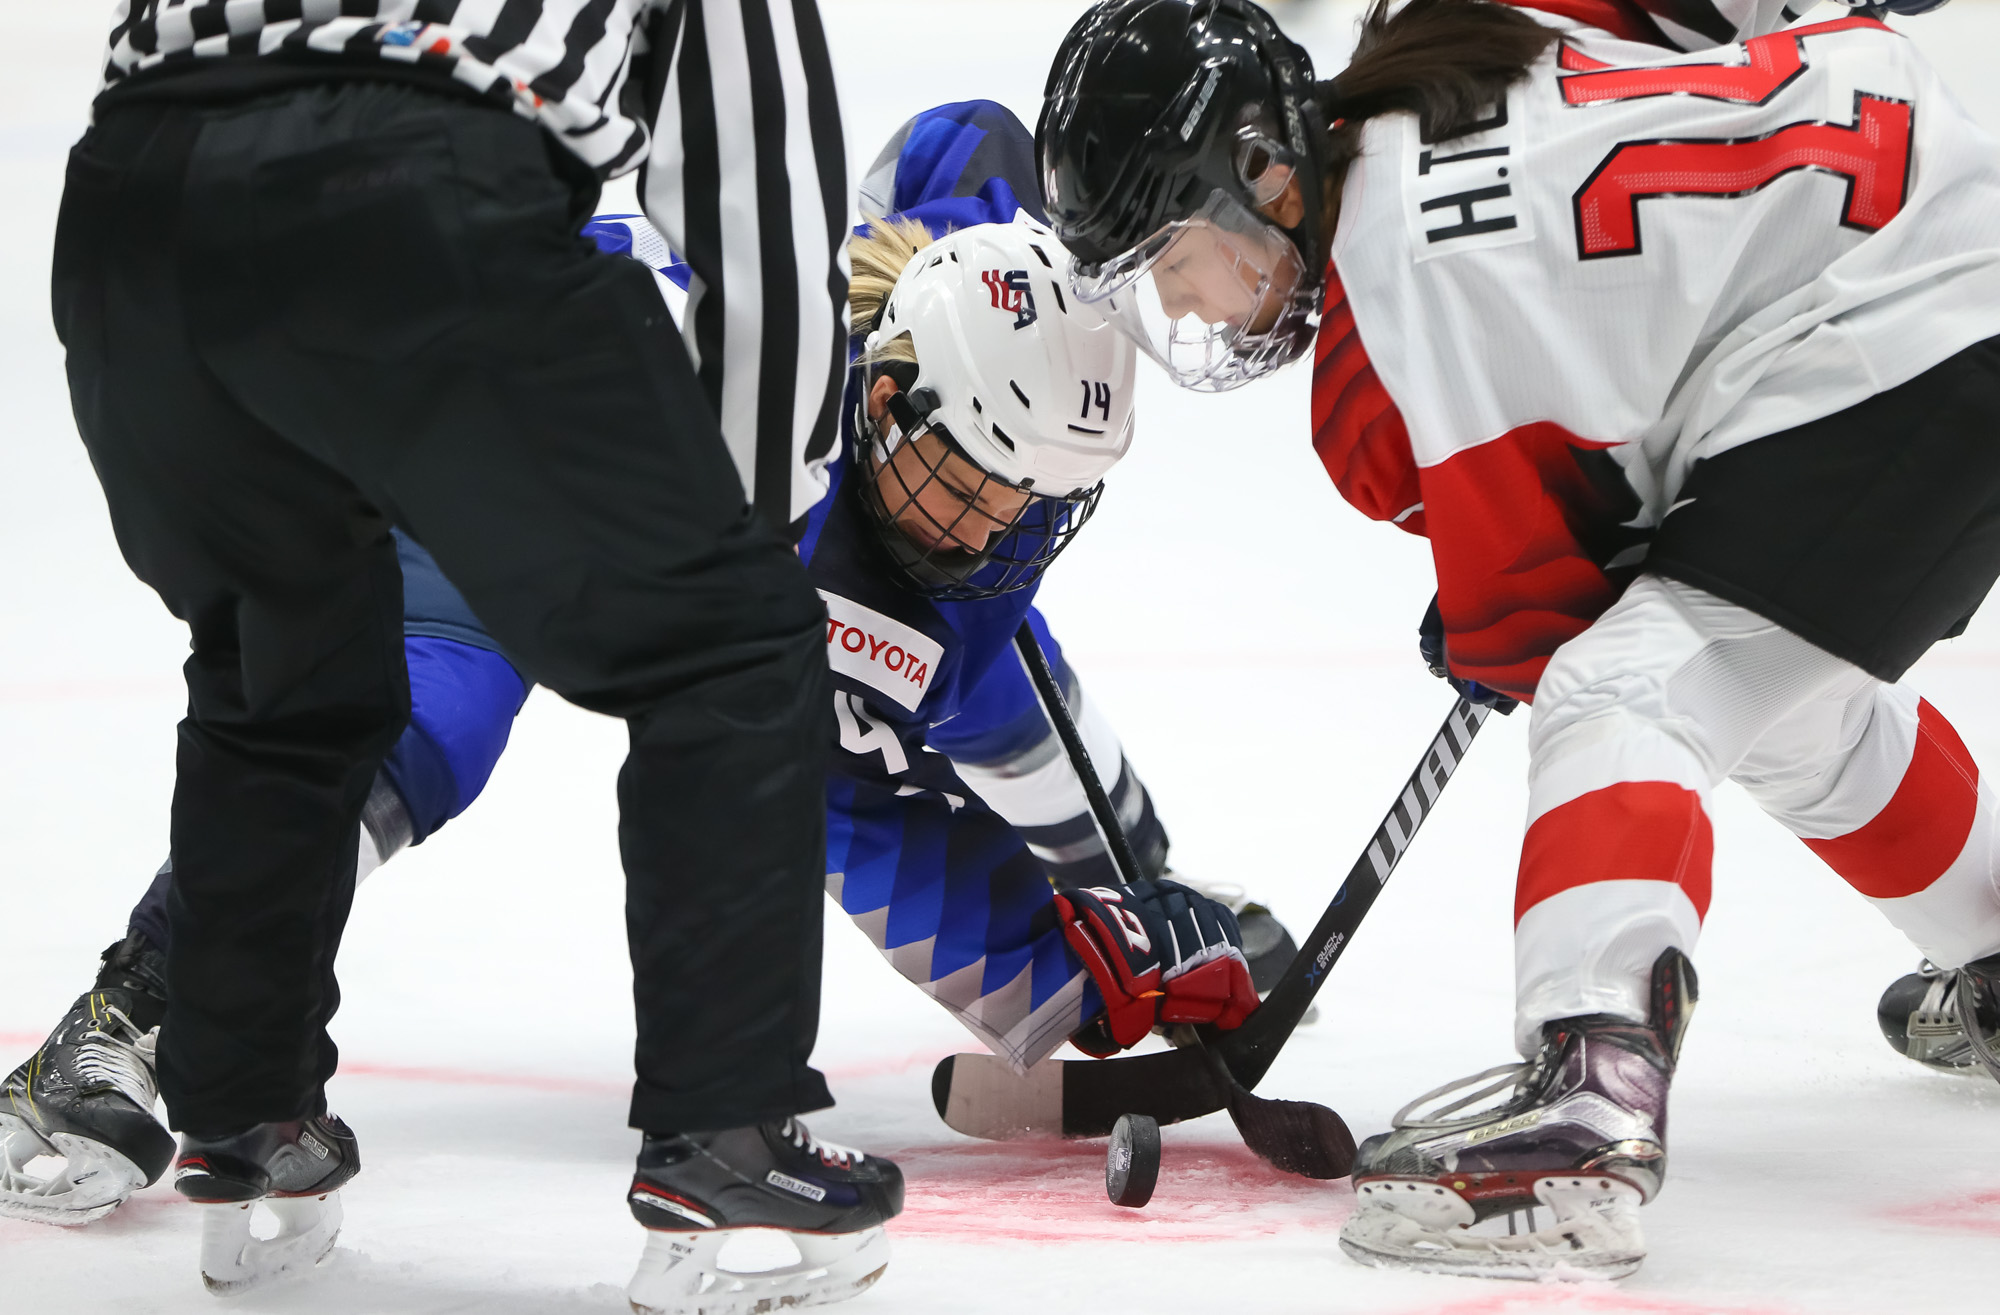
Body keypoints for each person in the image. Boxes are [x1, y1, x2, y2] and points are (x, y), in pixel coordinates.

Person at [11, 96, 1279, 1278]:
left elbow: (965, 141)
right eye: (968, 486)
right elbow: (837, 811)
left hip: (499, 380)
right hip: (448, 444)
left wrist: (1134, 898)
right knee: (412, 728)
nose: (988, 533)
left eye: (1033, 507)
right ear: (888, 402)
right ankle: (126, 1012)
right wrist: (1060, 969)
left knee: (957, 674)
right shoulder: (802, 519)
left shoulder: (949, 344)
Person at [1036, 0, 2000, 1281]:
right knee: (1766, 693)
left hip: (1899, 326)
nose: (1188, 306)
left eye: (1173, 259)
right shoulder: (1431, 49)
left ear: (1262, 173)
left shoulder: (1389, 301)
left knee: (1625, 690)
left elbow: (1545, 627)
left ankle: (1585, 1111)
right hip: (1914, 239)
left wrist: (1485, 616)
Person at [50, 0, 893, 1307]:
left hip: (128, 211)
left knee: (282, 664)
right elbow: (756, 198)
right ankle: (728, 1135)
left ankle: (244, 1116)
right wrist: (752, 546)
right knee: (729, 643)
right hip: (406, 178)